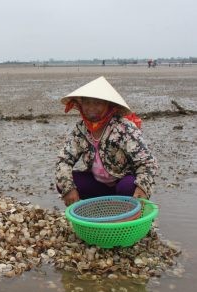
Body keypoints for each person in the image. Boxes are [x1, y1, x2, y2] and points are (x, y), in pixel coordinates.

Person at [55, 76, 158, 206]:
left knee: (127, 187)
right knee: (65, 183)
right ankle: (103, 206)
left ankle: (126, 208)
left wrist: (142, 188)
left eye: (97, 103)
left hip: (122, 183)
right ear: (81, 105)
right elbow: (63, 160)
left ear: (108, 106)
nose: (91, 107)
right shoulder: (80, 129)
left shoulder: (123, 127)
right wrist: (68, 188)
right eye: (87, 102)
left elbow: (147, 163)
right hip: (99, 185)